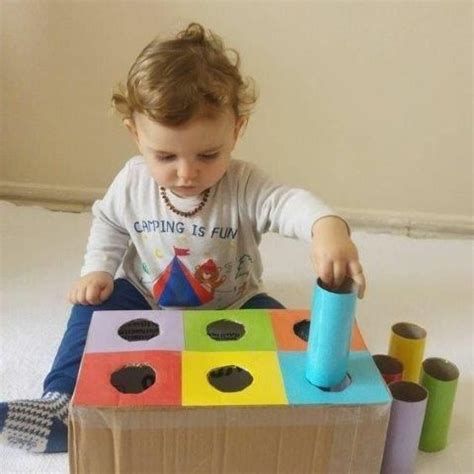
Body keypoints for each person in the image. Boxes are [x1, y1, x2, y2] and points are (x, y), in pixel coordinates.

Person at [0, 22, 366, 453]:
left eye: (208, 154)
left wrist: (326, 227)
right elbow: (110, 222)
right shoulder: (133, 181)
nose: (187, 172)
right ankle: (62, 401)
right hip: (145, 295)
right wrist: (97, 270)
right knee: (89, 309)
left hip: (233, 302)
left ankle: (295, 406)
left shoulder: (244, 184)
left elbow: (287, 203)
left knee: (285, 332)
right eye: (166, 156)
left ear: (237, 130)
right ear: (135, 134)